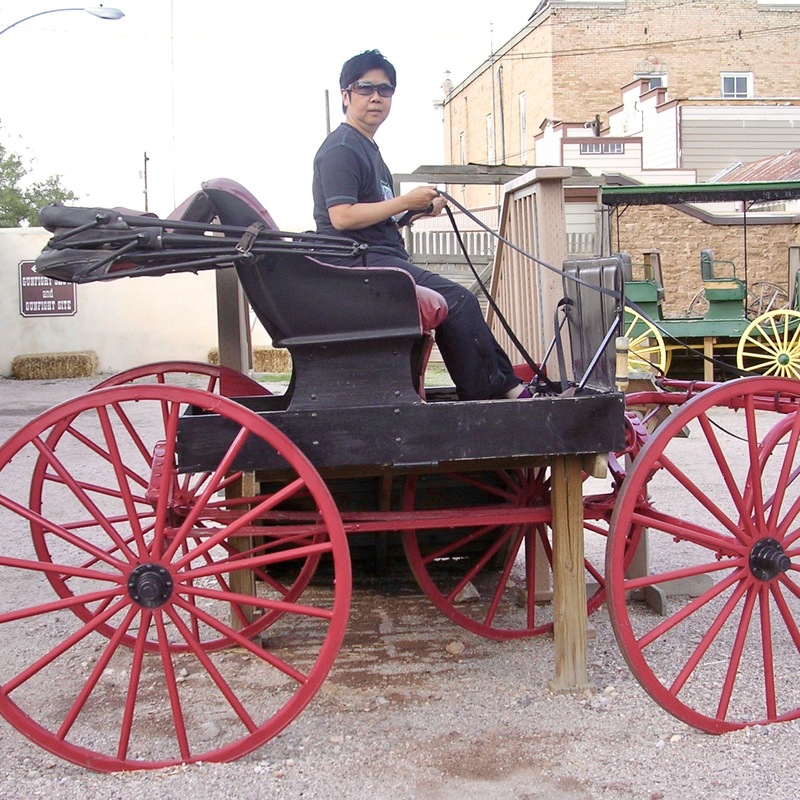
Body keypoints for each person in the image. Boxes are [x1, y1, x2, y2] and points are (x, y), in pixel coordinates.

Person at [312, 49, 529, 401]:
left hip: (373, 257)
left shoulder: (367, 148)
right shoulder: (342, 148)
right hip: (355, 264)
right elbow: (342, 217)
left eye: (385, 90)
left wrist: (416, 212)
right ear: (346, 95)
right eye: (365, 88)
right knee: (458, 301)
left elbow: (375, 216)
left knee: (459, 301)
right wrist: (404, 201)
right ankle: (498, 394)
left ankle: (504, 386)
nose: (376, 97)